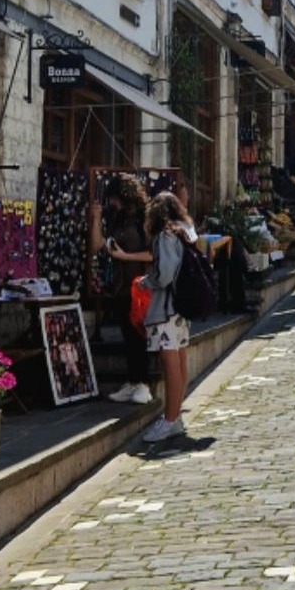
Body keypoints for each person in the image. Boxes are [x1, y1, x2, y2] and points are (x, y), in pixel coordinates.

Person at [140, 191, 199, 443]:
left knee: (170, 363)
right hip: (181, 306)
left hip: (167, 307)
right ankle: (175, 415)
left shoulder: (165, 235)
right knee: (180, 359)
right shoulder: (185, 231)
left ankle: (170, 419)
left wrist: (146, 281)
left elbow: (164, 275)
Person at [103, 176, 153, 405]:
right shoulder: (118, 218)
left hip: (139, 286)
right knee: (127, 335)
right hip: (121, 286)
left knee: (138, 336)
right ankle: (133, 381)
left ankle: (143, 384)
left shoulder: (144, 218)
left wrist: (125, 256)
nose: (112, 203)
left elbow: (152, 254)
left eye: (114, 198)